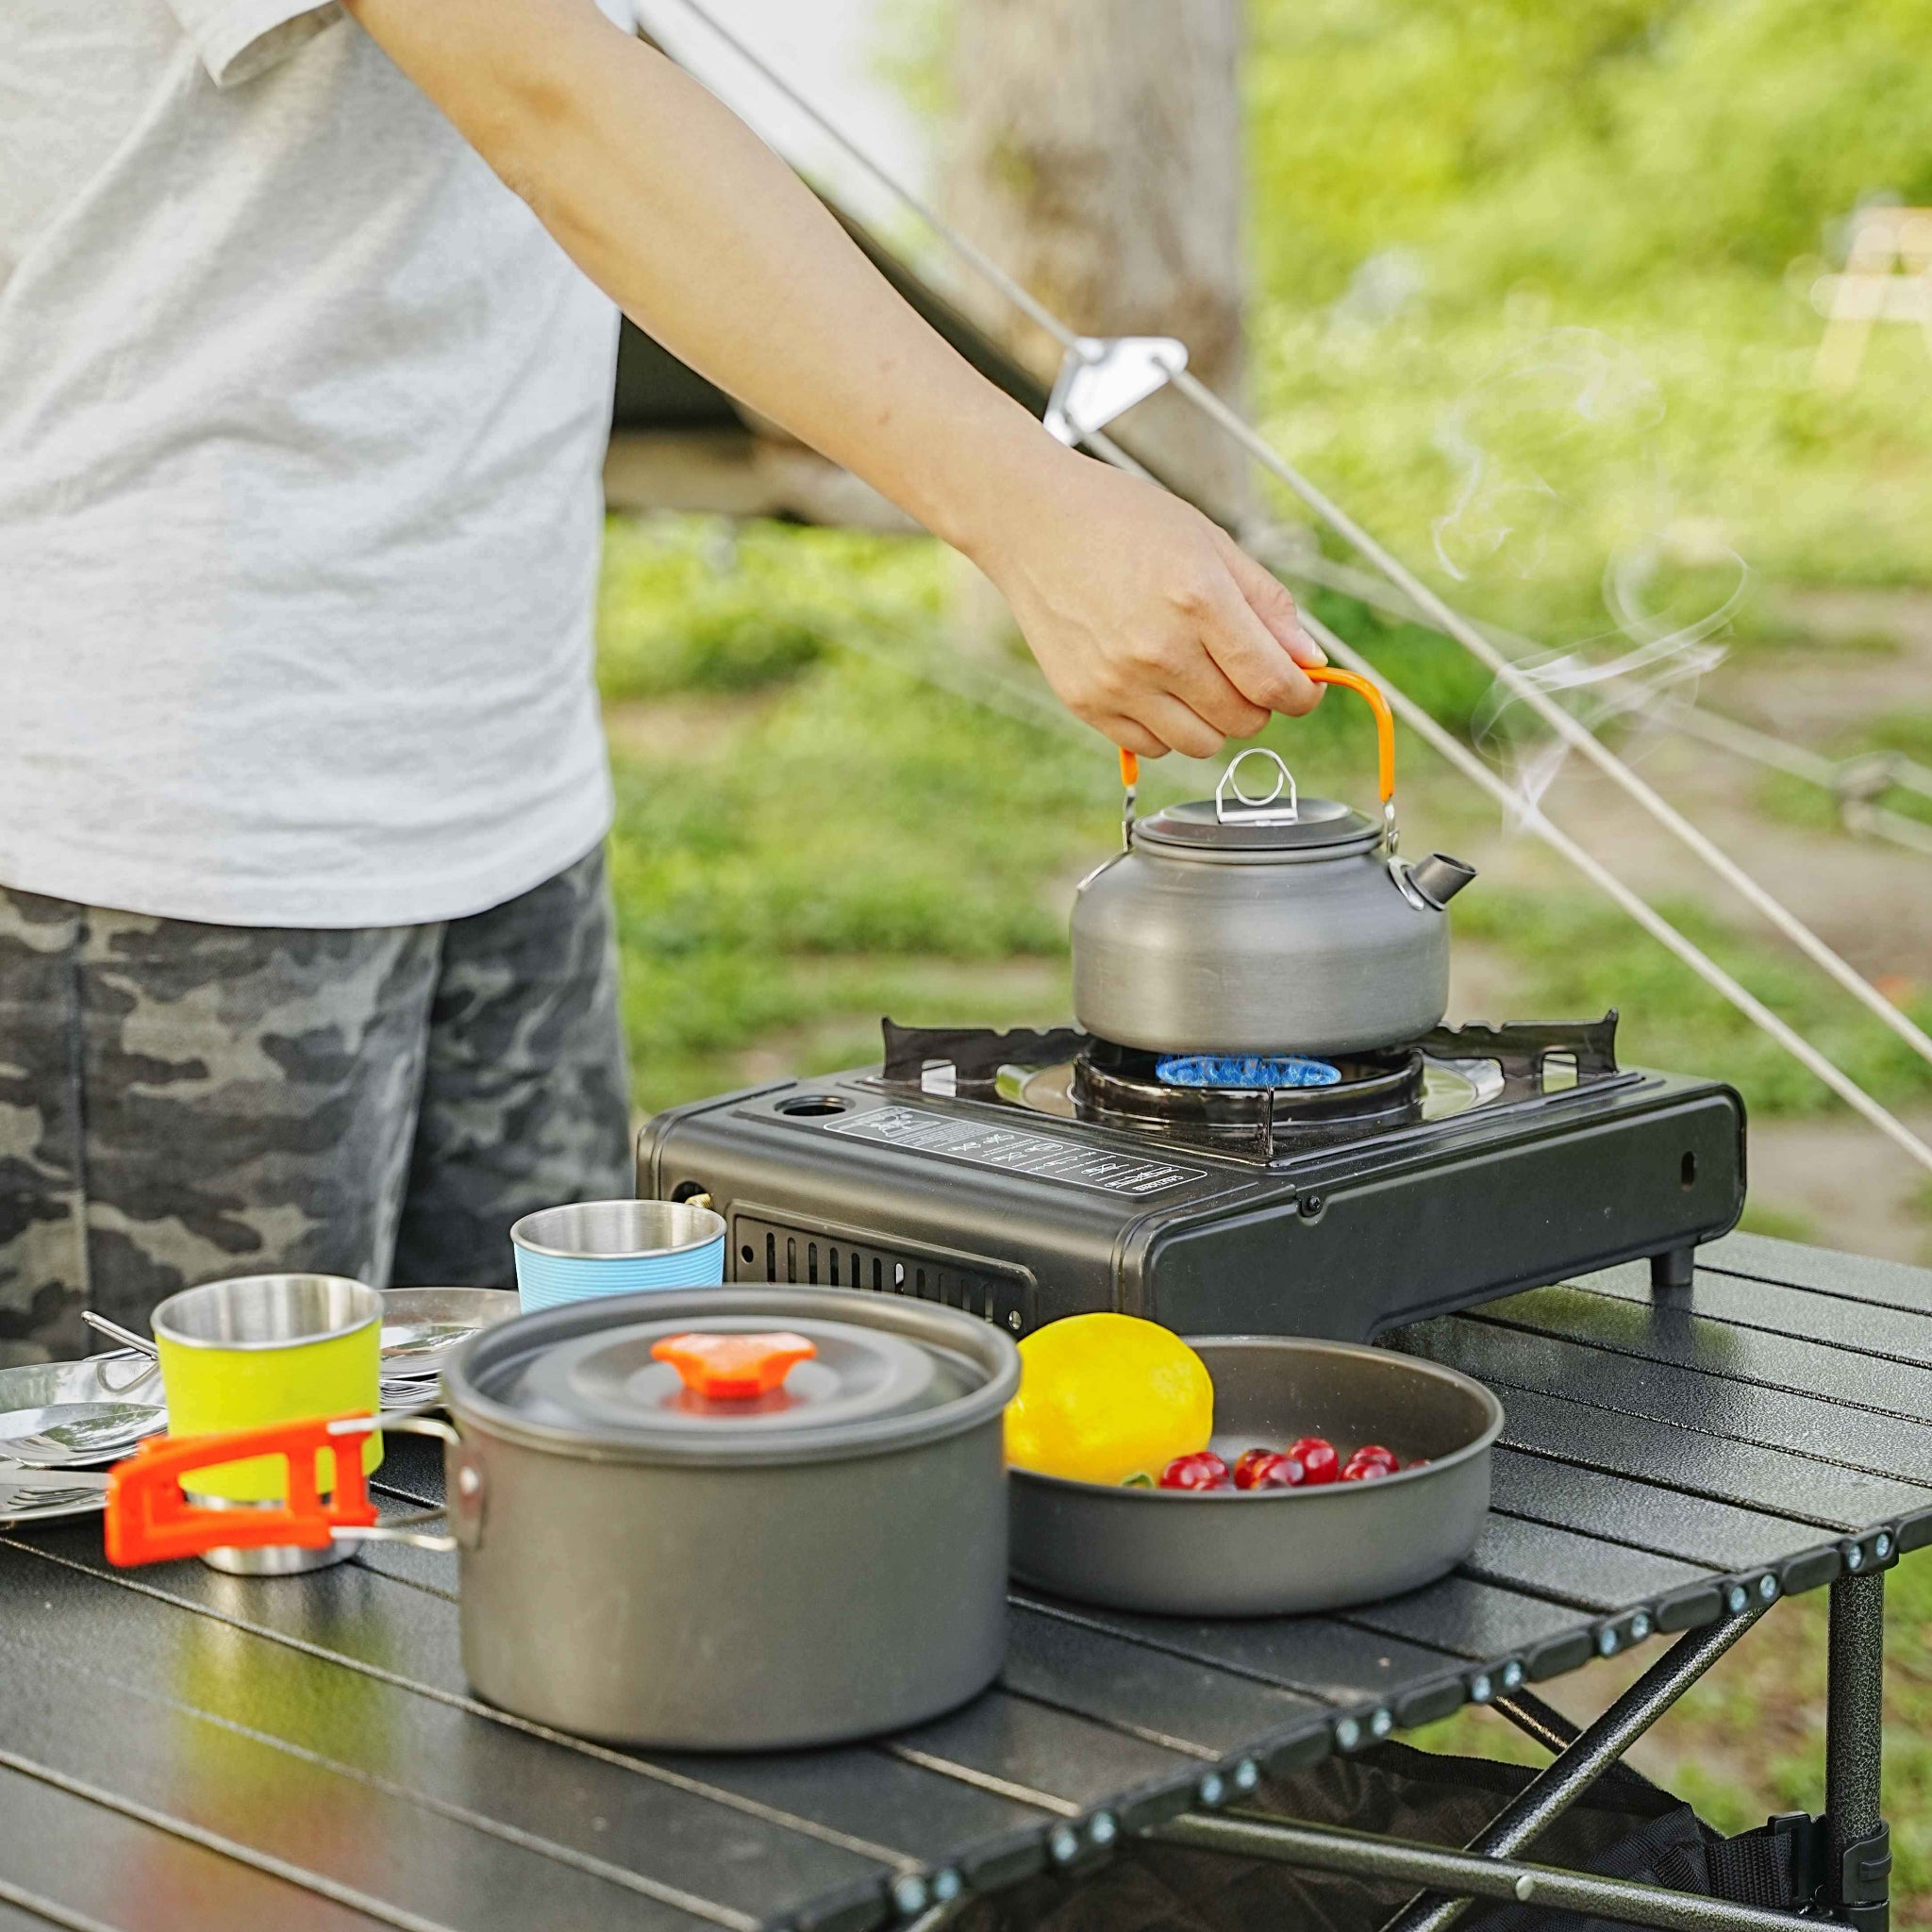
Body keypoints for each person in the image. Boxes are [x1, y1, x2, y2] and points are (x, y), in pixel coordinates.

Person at [0, 0, 1325, 1365]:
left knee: (554, 1456)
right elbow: (551, 95)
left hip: (504, 780)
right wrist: (1032, 509)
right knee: (192, 1544)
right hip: (173, 834)